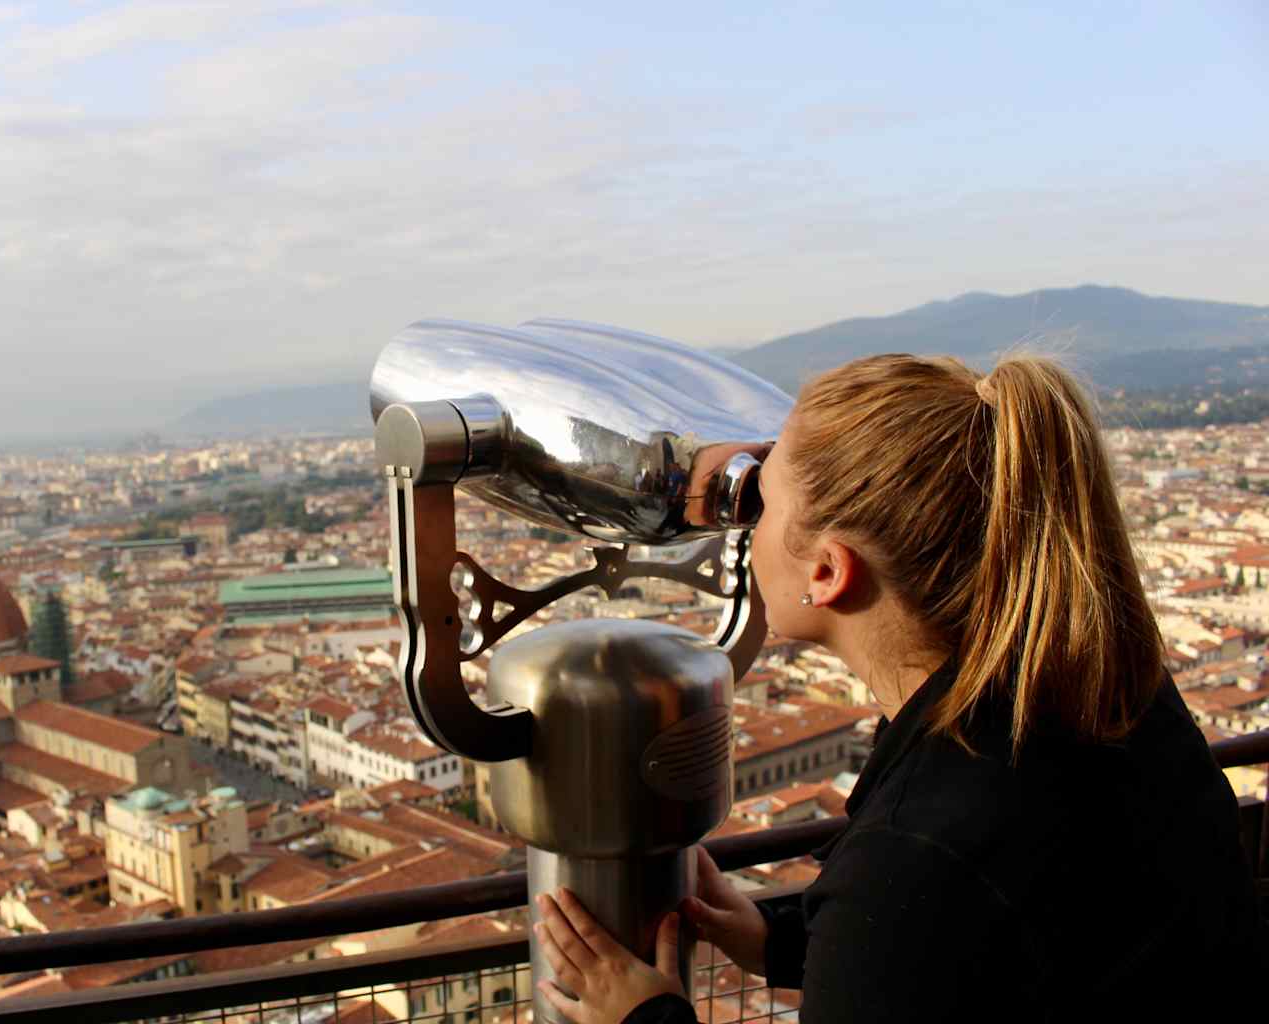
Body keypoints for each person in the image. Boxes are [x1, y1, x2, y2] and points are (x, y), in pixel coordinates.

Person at [531, 354, 1266, 1024]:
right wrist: (784, 943)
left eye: (763, 503)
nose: (743, 528)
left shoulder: (918, 854)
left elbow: (953, 913)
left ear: (826, 571)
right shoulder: (1108, 691)